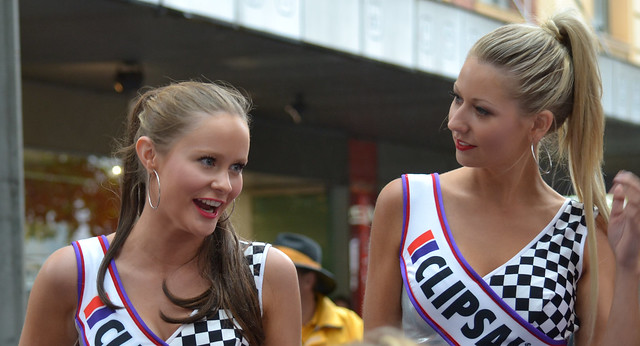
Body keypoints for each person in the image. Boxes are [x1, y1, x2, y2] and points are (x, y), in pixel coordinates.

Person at [362, 11, 640, 346]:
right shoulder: (407, 202)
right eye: (457, 98)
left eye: (481, 110)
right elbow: (374, 340)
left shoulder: (582, 234)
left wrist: (630, 270)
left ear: (538, 124)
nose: (455, 121)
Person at [19, 81, 302, 345]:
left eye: (236, 167)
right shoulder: (74, 273)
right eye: (208, 161)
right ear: (149, 154)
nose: (225, 184)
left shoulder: (264, 274)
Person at [274, 232, 364, 345]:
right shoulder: (258, 324)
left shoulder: (350, 325)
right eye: (268, 273)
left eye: (280, 273)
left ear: (308, 281)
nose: (270, 280)